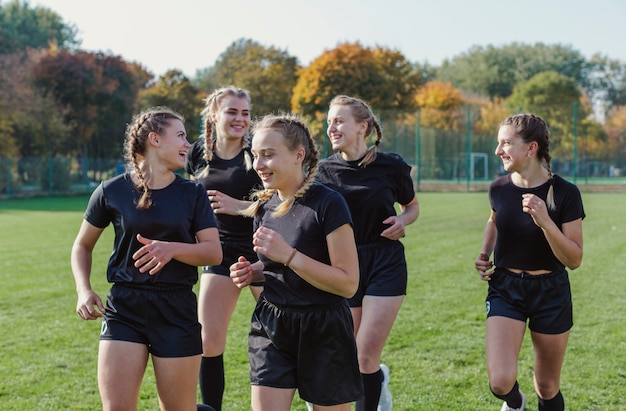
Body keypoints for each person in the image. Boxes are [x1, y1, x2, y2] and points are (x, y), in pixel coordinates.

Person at [70, 106, 222, 411]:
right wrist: (83, 289)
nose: (187, 145)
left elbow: (213, 252)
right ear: (154, 139)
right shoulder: (111, 191)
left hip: (175, 308)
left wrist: (172, 249)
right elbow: (82, 246)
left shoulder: (193, 193)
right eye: (180, 135)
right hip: (125, 307)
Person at [229, 114, 363, 411]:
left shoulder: (328, 204)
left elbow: (347, 282)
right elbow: (278, 264)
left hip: (324, 327)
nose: (258, 164)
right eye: (255, 155)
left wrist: (288, 255)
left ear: (298, 155)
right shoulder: (264, 207)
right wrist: (254, 271)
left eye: (268, 155)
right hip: (272, 323)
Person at [316, 95, 420, 411]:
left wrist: (403, 220)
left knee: (364, 354)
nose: (331, 128)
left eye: (339, 121)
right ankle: (379, 381)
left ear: (362, 127)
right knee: (350, 354)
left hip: (385, 262)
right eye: (329, 121)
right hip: (345, 265)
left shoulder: (392, 166)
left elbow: (412, 207)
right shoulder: (321, 172)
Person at [475, 113, 585, 411]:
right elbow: (495, 218)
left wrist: (546, 223)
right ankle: (516, 402)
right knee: (500, 381)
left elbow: (574, 259)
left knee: (547, 386)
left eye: (506, 143)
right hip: (506, 288)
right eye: (499, 143)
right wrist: (484, 253)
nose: (499, 151)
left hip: (550, 291)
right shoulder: (499, 188)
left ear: (531, 148)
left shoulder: (565, 193)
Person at [184, 86, 263, 411]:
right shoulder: (198, 153)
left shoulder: (258, 150)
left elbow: (285, 200)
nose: (240, 119)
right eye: (232, 112)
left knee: (287, 338)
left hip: (264, 252)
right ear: (214, 115)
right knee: (208, 341)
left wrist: (240, 206)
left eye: (245, 113)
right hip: (220, 253)